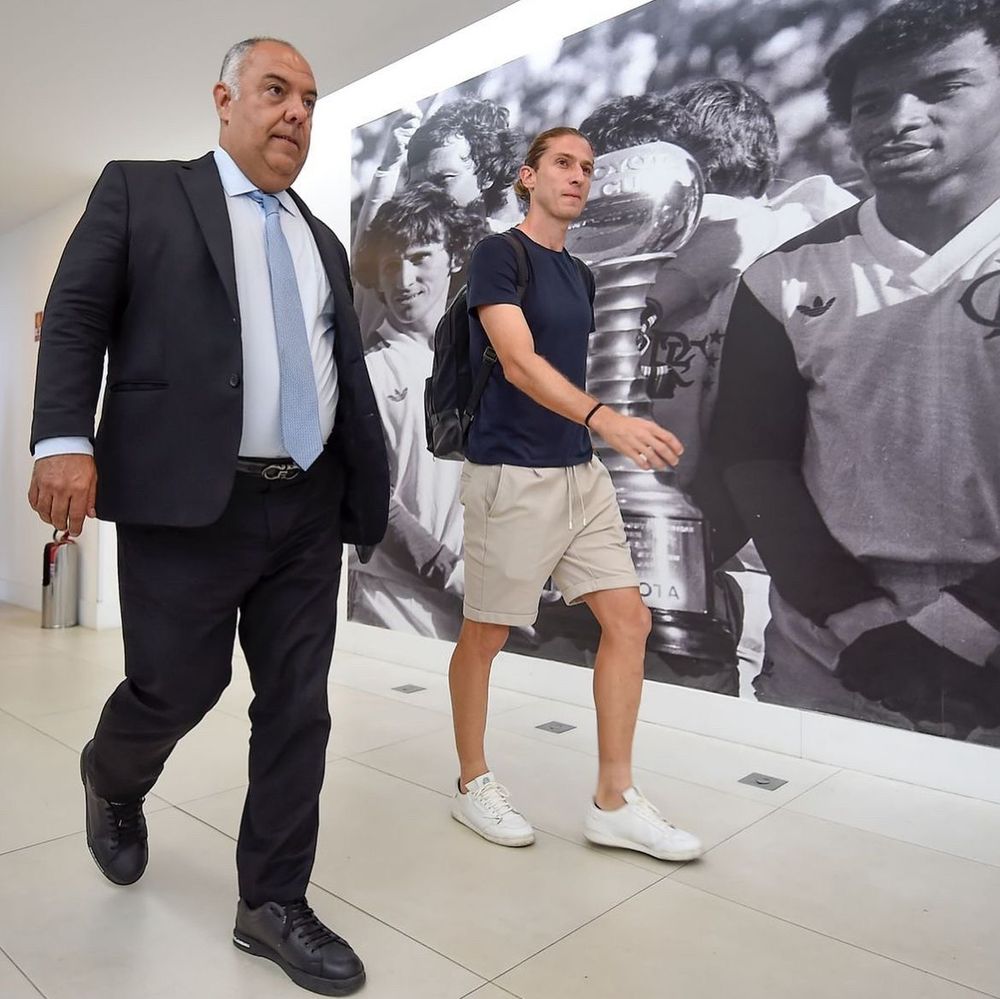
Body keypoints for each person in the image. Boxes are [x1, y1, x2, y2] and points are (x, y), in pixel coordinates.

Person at [28, 37, 388, 995]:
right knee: (176, 686)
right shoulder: (142, 191)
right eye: (275, 90)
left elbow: (333, 365)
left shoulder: (319, 238)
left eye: (309, 99)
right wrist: (62, 436)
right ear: (224, 100)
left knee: (298, 704)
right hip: (186, 496)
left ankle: (272, 901)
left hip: (306, 499)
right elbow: (76, 314)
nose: (296, 112)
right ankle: (112, 775)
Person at [709, 0, 1000, 744]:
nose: (899, 118)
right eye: (873, 103)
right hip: (832, 665)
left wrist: (966, 628)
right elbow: (756, 461)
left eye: (942, 87)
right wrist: (859, 622)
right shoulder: (782, 277)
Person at [447, 126, 703, 861]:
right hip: (511, 474)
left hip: (578, 472)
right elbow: (518, 362)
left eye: (587, 168)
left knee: (629, 620)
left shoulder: (580, 273)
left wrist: (595, 433)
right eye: (563, 163)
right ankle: (472, 783)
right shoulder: (499, 254)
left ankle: (614, 801)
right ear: (528, 177)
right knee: (486, 635)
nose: (578, 177)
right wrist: (606, 420)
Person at [348, 185, 485, 639]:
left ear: (455, 256)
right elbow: (371, 499)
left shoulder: (484, 363)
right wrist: (449, 571)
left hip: (477, 605)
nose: (403, 279)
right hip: (392, 606)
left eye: (420, 257)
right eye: (390, 265)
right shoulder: (371, 373)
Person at [353, 98, 525, 341]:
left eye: (444, 180)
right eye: (418, 186)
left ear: (486, 175)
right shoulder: (409, 261)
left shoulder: (522, 252)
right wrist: (388, 168)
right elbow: (366, 291)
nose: (428, 197)